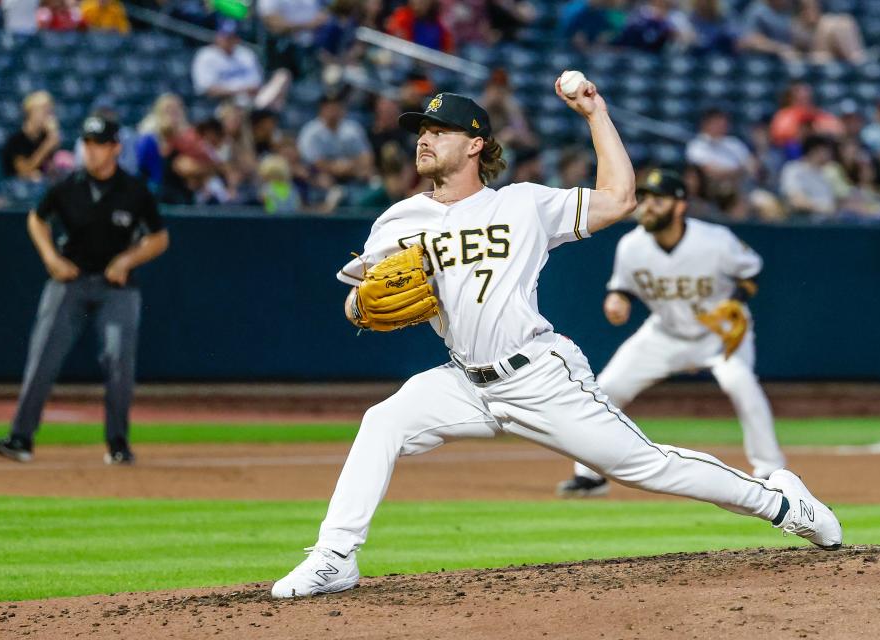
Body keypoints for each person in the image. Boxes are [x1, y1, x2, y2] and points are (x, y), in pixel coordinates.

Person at [269, 83, 842, 599]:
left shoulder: (521, 203)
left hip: (538, 375)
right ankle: (334, 557)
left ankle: (782, 502)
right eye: (421, 130)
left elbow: (619, 199)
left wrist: (596, 113)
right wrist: (362, 305)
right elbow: (358, 300)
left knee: (645, 466)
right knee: (383, 422)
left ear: (474, 145)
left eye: (438, 131)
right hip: (463, 380)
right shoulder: (397, 220)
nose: (424, 140)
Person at [556, 169, 786, 498]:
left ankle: (771, 469)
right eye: (645, 198)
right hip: (664, 333)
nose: (647, 206)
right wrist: (617, 299)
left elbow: (751, 270)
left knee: (741, 384)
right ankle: (590, 475)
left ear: (680, 206)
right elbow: (623, 288)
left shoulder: (715, 240)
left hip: (718, 331)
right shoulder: (632, 245)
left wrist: (736, 301)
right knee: (606, 388)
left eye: (658, 199)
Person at [0, 115, 169, 465]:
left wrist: (127, 260)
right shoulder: (67, 185)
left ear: (115, 147)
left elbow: (160, 238)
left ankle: (118, 444)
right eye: (87, 143)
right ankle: (21, 439)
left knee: (118, 358)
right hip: (69, 281)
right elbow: (36, 219)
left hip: (116, 287)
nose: (91, 150)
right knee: (43, 355)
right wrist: (50, 258)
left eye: (99, 143)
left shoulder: (134, 191)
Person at [191, 19, 291, 110]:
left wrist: (251, 91)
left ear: (237, 38)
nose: (228, 40)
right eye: (225, 37)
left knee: (282, 75)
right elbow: (208, 90)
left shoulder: (245, 53)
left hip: (252, 100)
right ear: (218, 37)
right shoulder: (205, 55)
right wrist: (239, 90)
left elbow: (256, 83)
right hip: (225, 103)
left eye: (232, 37)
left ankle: (267, 114)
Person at [2, 91, 61, 181]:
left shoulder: (45, 138)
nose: (48, 116)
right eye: (43, 110)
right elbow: (24, 171)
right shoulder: (16, 140)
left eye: (49, 111)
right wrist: (47, 145)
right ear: (30, 112)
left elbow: (51, 172)